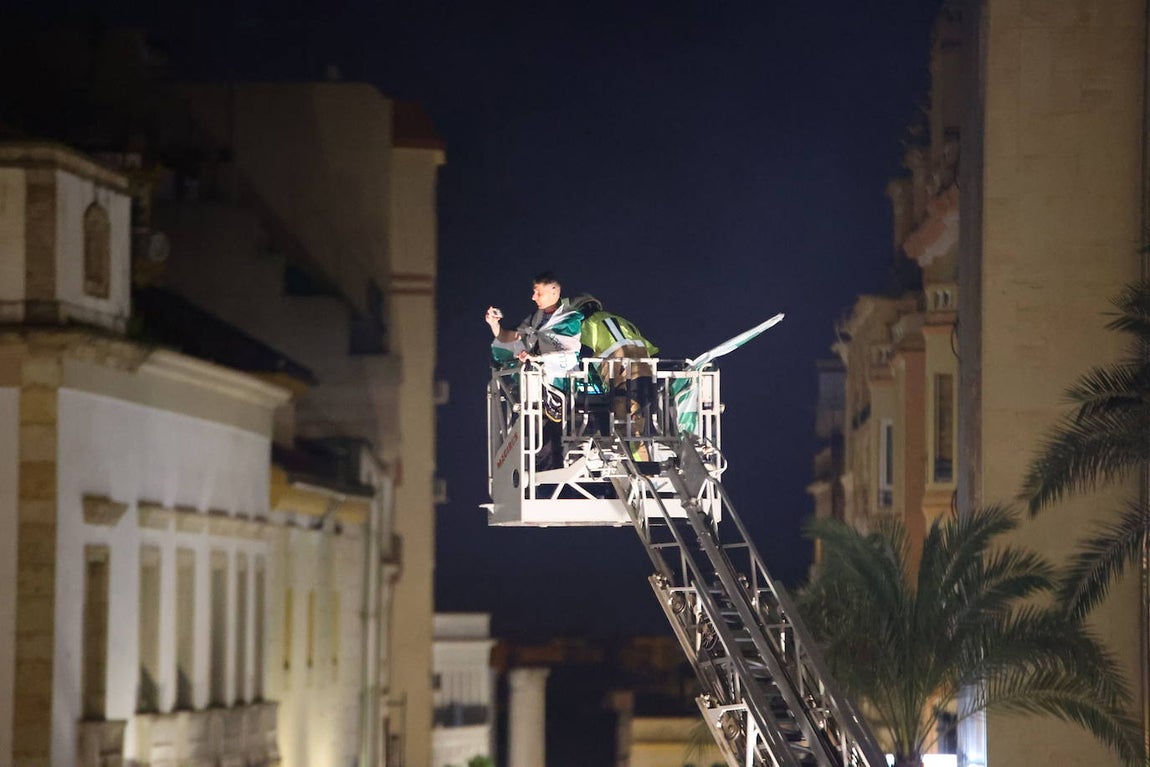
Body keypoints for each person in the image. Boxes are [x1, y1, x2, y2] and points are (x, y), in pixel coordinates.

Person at [486, 272, 583, 471]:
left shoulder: (570, 319)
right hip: (535, 388)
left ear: (554, 292)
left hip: (558, 388)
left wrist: (537, 359)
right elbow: (511, 338)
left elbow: (569, 353)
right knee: (536, 435)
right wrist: (494, 325)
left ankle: (551, 481)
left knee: (551, 437)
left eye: (538, 293)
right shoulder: (535, 319)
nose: (533, 297)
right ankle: (541, 476)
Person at [572, 296, 659, 459]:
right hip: (647, 375)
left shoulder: (589, 323)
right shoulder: (625, 322)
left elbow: (585, 353)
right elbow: (652, 350)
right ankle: (645, 464)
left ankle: (642, 471)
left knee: (630, 431)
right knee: (640, 424)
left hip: (622, 381)